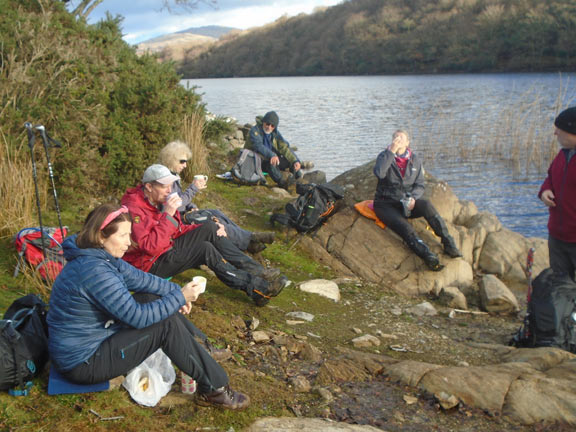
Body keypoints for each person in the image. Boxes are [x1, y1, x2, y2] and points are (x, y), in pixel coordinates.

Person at [47, 203, 249, 410]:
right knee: (164, 325)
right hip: (83, 362)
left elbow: (141, 279)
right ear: (101, 236)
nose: (129, 242)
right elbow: (138, 318)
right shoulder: (94, 271)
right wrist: (179, 297)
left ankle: (199, 349)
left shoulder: (99, 255)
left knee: (150, 296)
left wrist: (174, 293)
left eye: (129, 234)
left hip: (94, 339)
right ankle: (215, 390)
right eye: (123, 236)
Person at [121, 164, 288, 306]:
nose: (169, 191)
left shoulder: (156, 201)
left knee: (209, 227)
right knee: (204, 250)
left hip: (166, 246)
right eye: (164, 186)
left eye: (171, 186)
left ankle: (258, 271)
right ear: (149, 187)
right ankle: (259, 290)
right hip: (148, 265)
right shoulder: (135, 209)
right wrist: (168, 214)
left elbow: (176, 229)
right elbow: (150, 247)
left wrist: (201, 229)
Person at [157, 140, 275, 253]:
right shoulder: (166, 180)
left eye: (186, 162)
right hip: (178, 221)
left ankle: (249, 241)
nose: (185, 165)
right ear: (171, 160)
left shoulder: (173, 175)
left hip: (184, 214)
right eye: (182, 161)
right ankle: (251, 238)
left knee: (216, 213)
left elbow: (180, 198)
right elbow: (176, 205)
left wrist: (192, 206)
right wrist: (193, 188)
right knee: (213, 222)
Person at [373, 130, 461, 271]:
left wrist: (413, 197)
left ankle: (448, 243)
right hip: (385, 204)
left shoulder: (415, 160)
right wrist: (391, 152)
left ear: (408, 142)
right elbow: (379, 173)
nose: (398, 139)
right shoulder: (384, 156)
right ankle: (428, 257)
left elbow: (420, 184)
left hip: (405, 202)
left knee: (426, 205)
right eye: (396, 137)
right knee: (405, 227)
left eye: (402, 137)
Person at [539, 106, 576, 280]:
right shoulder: (562, 155)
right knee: (561, 287)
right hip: (557, 236)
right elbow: (551, 178)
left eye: (559, 129)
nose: (555, 133)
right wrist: (545, 190)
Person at [244, 111, 303, 189]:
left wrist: (295, 161)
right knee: (271, 163)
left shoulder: (275, 133)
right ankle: (282, 183)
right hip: (255, 160)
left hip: (269, 156)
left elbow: (284, 147)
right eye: (267, 124)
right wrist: (272, 155)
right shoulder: (255, 131)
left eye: (272, 126)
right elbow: (258, 146)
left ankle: (298, 179)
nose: (269, 127)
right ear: (263, 122)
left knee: (289, 160)